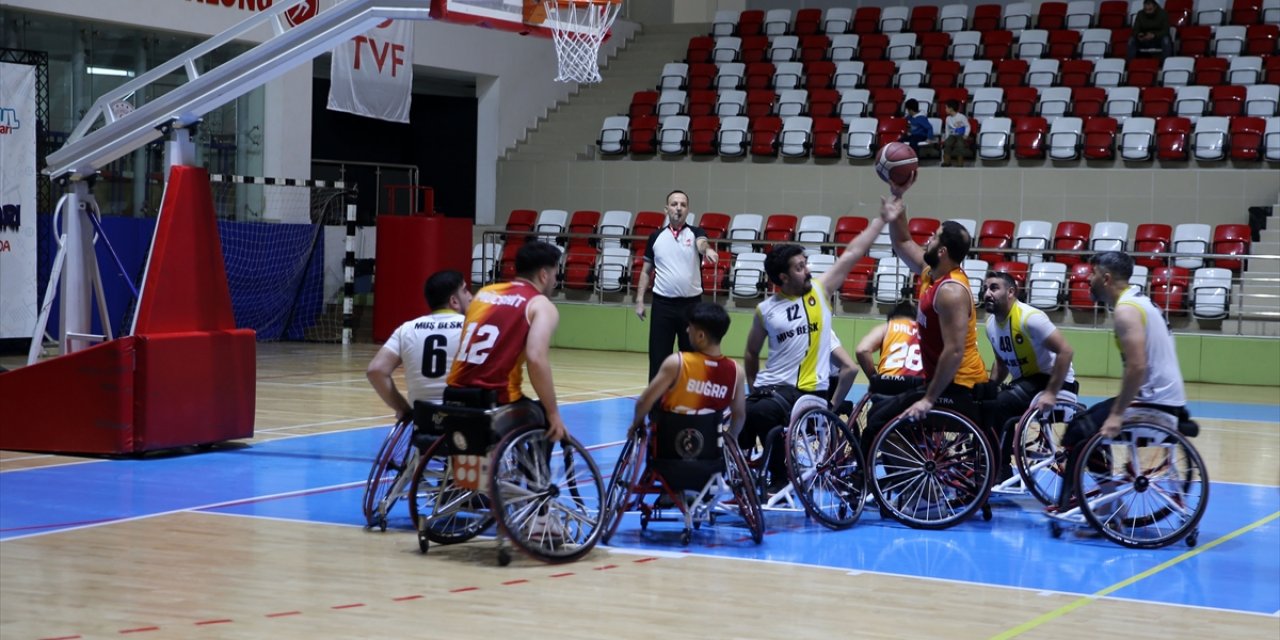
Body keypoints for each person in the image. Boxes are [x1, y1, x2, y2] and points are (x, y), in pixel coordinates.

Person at [741, 216, 888, 492]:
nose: (807, 270)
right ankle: (739, 473)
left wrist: (882, 220)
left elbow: (853, 253)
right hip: (771, 389)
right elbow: (750, 352)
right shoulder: (766, 310)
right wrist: (753, 385)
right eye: (799, 267)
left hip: (807, 391)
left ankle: (780, 473)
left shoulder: (819, 292)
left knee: (761, 412)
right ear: (783, 277)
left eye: (805, 264)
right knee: (742, 413)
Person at [1054, 251, 1190, 513]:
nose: (1088, 280)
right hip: (1165, 399)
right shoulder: (1140, 301)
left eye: (1092, 274)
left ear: (1105, 278)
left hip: (1153, 404)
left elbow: (1137, 367)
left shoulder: (1126, 312)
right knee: (1087, 420)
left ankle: (1108, 506)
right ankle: (1107, 500)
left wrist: (1116, 415)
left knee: (1077, 433)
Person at [863, 194, 988, 454]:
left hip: (959, 386)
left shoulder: (951, 292)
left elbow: (954, 351)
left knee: (877, 424)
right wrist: (897, 198)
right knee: (879, 396)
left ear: (942, 251)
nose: (928, 238)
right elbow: (902, 241)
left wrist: (929, 399)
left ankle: (875, 485)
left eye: (934, 236)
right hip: (936, 380)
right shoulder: (931, 273)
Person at [447, 240, 569, 442]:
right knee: (545, 421)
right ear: (544, 275)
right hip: (495, 400)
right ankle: (534, 475)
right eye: (555, 275)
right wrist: (553, 412)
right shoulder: (540, 304)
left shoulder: (484, 293)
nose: (555, 281)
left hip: (453, 394)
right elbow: (536, 358)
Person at [981, 271, 1078, 480]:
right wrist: (987, 386)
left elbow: (1066, 351)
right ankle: (983, 461)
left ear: (1011, 292)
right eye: (985, 288)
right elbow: (1001, 364)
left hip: (1055, 382)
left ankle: (1000, 470)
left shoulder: (1030, 318)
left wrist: (1051, 393)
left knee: (1001, 404)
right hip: (1025, 383)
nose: (987, 293)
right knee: (984, 400)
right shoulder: (990, 325)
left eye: (994, 288)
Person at [366, 270, 473, 422]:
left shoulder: (407, 329)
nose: (470, 296)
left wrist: (402, 408)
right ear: (454, 301)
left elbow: (375, 370)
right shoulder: (472, 328)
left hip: (423, 418)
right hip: (463, 419)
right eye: (465, 290)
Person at [634, 190, 719, 380]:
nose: (678, 208)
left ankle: (690, 402)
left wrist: (708, 250)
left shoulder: (696, 232)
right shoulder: (656, 237)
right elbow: (646, 271)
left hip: (691, 307)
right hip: (663, 305)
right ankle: (658, 406)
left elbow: (702, 244)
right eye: (674, 204)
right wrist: (639, 300)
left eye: (682, 204)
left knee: (692, 357)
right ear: (666, 209)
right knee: (658, 357)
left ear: (688, 209)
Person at [630, 302, 747, 439]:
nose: (686, 331)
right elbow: (739, 415)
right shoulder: (736, 371)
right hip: (711, 452)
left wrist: (636, 424)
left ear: (700, 336)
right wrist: (731, 438)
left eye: (690, 327)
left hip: (670, 447)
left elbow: (644, 402)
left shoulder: (677, 363)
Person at [941, 100, 971, 168]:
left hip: (960, 134)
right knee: (947, 143)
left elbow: (967, 126)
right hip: (952, 135)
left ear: (951, 108)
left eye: (946, 108)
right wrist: (946, 138)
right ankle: (947, 161)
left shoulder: (961, 117)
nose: (945, 109)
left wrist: (966, 134)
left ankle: (960, 162)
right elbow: (947, 129)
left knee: (960, 144)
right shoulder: (947, 118)